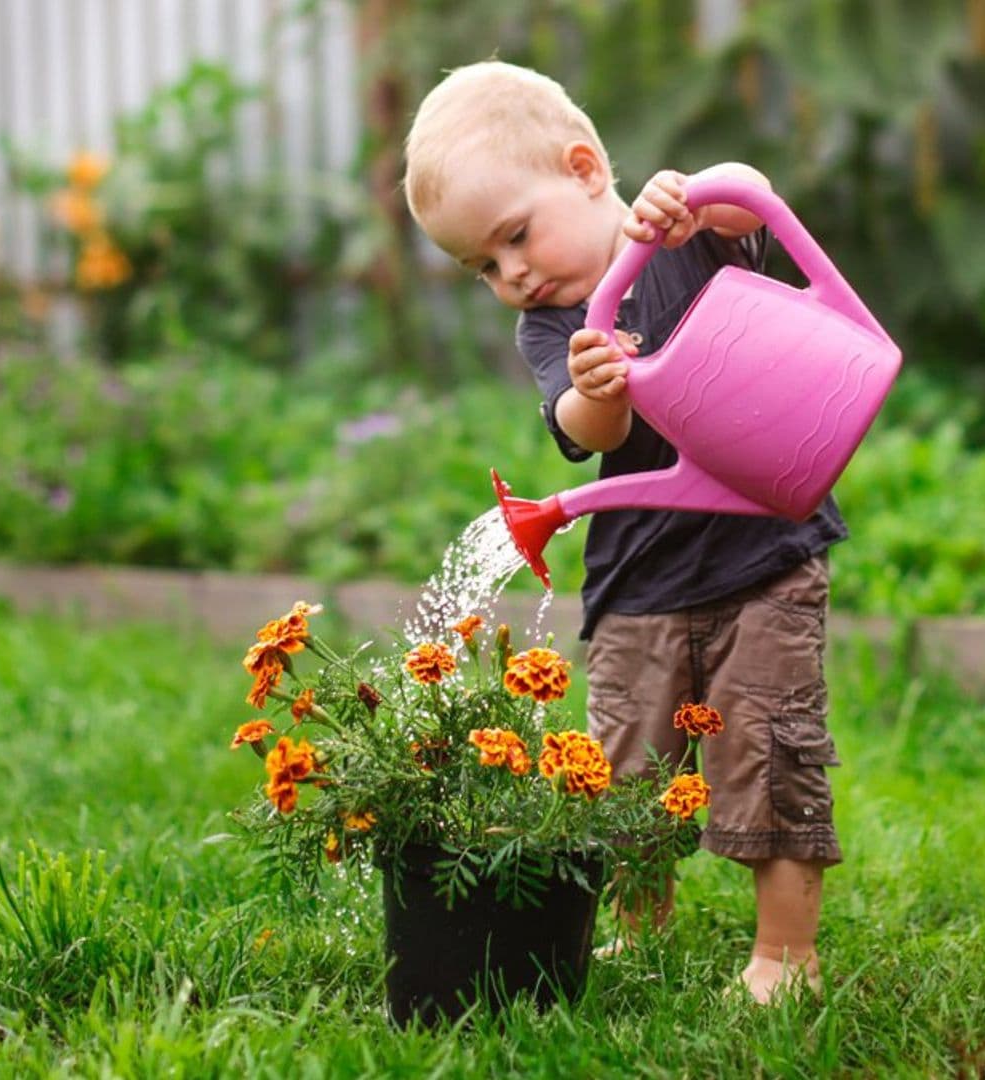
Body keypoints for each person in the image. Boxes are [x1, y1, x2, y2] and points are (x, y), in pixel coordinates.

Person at [402, 61, 848, 1004]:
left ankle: (784, 957)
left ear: (584, 168)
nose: (511, 272)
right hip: (638, 577)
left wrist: (696, 196)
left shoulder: (684, 236)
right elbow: (579, 429)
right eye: (482, 266)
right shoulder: (556, 325)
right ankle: (645, 930)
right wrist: (594, 390)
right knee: (626, 770)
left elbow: (754, 202)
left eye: (515, 236)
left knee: (771, 750)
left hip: (761, 555)